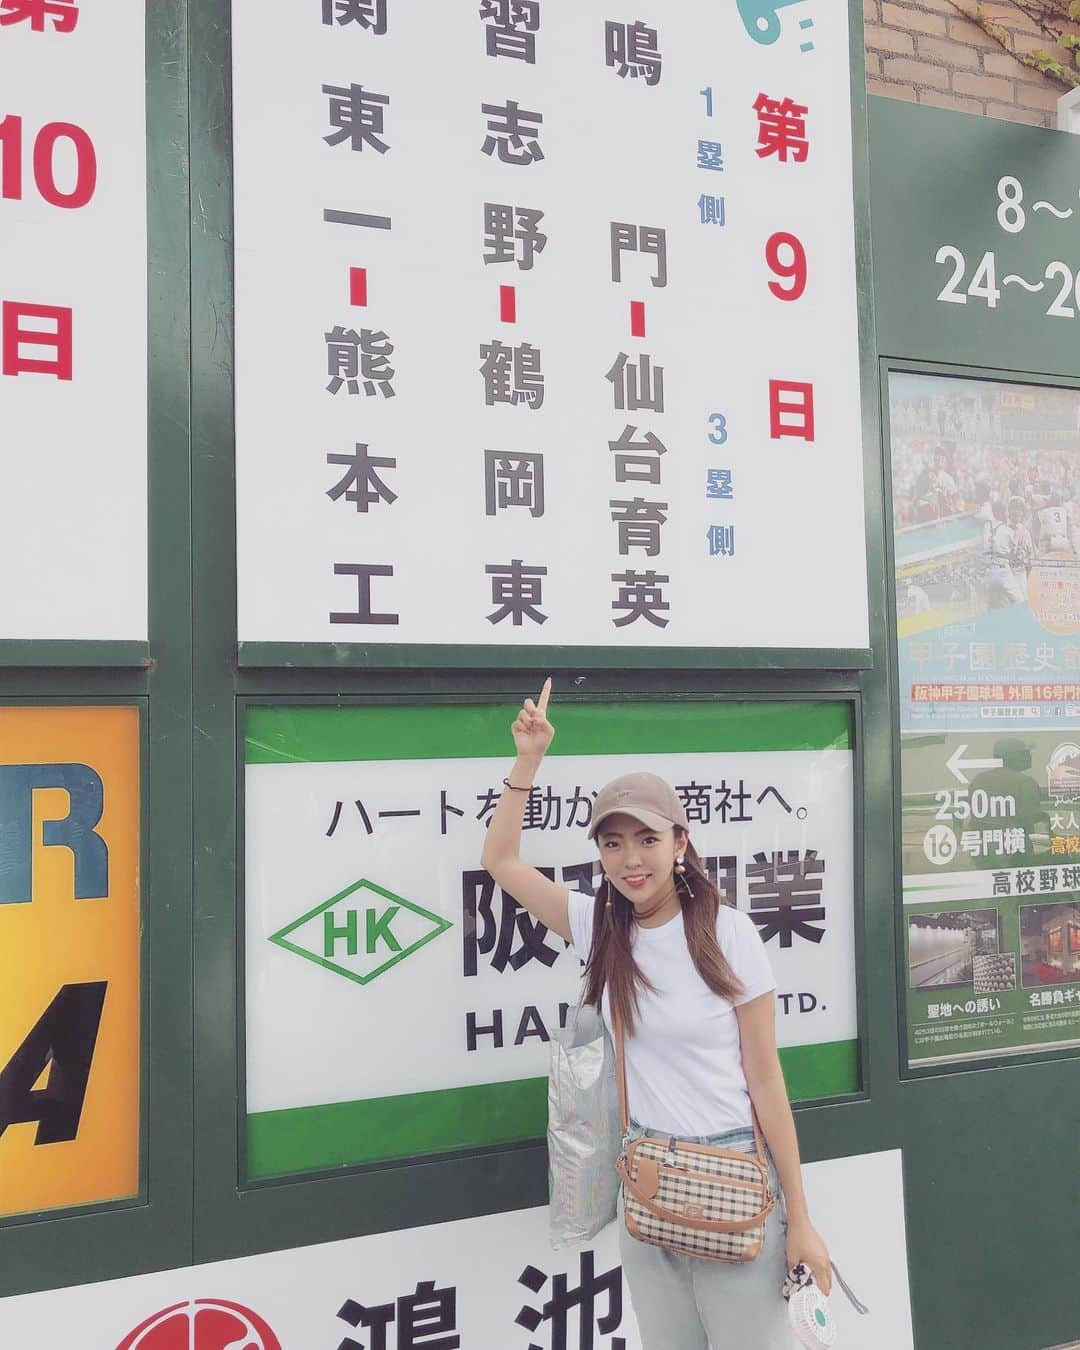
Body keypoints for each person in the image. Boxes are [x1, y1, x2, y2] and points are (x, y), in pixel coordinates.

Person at [481, 679, 832, 1350]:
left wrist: (802, 1219)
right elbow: (499, 861)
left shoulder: (730, 935)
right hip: (648, 1190)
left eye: (646, 839)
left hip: (734, 1192)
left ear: (680, 843)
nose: (629, 859)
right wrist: (528, 762)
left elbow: (767, 1084)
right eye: (613, 844)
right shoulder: (598, 925)